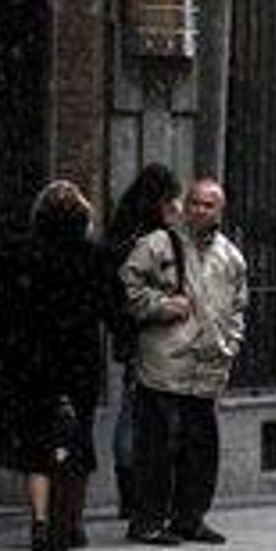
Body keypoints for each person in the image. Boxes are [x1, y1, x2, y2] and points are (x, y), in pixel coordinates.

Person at [120, 177, 247, 546]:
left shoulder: (229, 255)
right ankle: (147, 520)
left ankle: (189, 517)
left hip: (209, 365)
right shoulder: (157, 243)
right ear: (184, 205)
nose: (200, 210)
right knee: (156, 449)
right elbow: (128, 287)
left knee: (200, 451)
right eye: (194, 202)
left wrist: (230, 343)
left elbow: (239, 306)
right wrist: (160, 306)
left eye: (209, 205)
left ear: (220, 210)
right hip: (165, 363)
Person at [0, 180, 112, 551]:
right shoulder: (93, 255)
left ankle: (40, 521)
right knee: (77, 441)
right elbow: (110, 304)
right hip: (79, 362)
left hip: (32, 363)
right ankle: (71, 521)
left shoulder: (18, 252)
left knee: (37, 445)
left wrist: (8, 348)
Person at [102, 163, 183, 520]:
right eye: (171, 200)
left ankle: (132, 494)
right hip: (150, 336)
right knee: (140, 417)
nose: (176, 207)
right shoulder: (149, 239)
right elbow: (131, 291)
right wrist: (166, 306)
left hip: (134, 335)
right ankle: (137, 494)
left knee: (135, 414)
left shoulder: (123, 232)